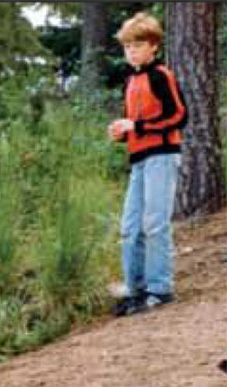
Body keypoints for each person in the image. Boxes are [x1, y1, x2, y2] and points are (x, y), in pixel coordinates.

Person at [107, 12, 187, 317]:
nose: (132, 52)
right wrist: (121, 133)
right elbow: (134, 123)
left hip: (162, 156)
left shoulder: (161, 75)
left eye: (138, 46)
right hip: (139, 159)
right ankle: (135, 290)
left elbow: (179, 116)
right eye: (127, 47)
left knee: (154, 223)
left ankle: (160, 289)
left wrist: (137, 126)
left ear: (153, 46)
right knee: (130, 227)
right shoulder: (131, 80)